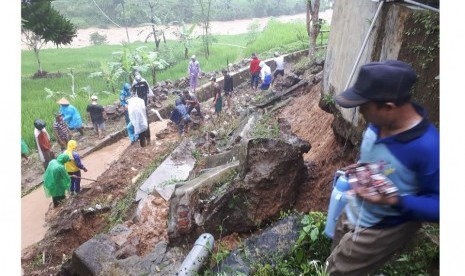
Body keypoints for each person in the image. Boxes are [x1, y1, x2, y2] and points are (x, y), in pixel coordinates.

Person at [326, 60, 439, 275]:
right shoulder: (379, 122)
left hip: (382, 226)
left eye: (363, 107)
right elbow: (378, 157)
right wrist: (361, 167)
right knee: (335, 257)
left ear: (388, 107)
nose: (360, 113)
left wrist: (395, 199)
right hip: (355, 206)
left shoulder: (429, 148)